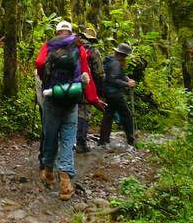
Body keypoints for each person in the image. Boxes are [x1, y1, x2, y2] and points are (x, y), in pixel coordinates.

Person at [35, 20, 105, 200]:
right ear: (71, 32)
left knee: (50, 134)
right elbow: (86, 73)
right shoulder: (78, 47)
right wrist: (94, 99)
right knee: (68, 137)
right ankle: (65, 183)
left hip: (52, 96)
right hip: (72, 99)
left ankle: (49, 171)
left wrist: (46, 81)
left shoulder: (49, 45)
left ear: (57, 32)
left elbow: (39, 62)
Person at [98, 42, 137, 148]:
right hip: (114, 93)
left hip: (108, 92)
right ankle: (130, 139)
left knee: (108, 115)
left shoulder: (111, 59)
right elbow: (113, 79)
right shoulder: (116, 63)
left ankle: (103, 140)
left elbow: (119, 74)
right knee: (126, 115)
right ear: (123, 55)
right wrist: (127, 84)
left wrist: (127, 78)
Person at [75, 26, 103, 153]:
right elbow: (98, 73)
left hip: (68, 86)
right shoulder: (93, 51)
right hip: (85, 85)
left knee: (71, 113)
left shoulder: (73, 46)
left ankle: (69, 142)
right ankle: (81, 143)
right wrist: (98, 88)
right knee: (84, 113)